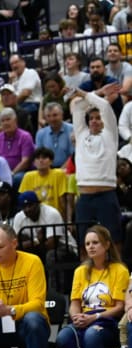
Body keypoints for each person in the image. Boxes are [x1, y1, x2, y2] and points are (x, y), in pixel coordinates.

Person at [56, 225, 126, 348]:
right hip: (83, 318)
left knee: (91, 335)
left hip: (108, 321)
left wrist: (94, 319)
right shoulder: (80, 271)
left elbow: (120, 307)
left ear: (107, 245)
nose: (91, 247)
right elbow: (74, 302)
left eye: (95, 242)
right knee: (64, 338)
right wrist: (76, 317)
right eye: (87, 243)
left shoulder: (119, 270)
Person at [70, 88, 122, 247]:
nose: (94, 121)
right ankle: (85, 272)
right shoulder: (81, 134)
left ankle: (118, 271)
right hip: (84, 197)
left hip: (106, 195)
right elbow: (78, 107)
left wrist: (84, 93)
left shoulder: (110, 134)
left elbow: (105, 107)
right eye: (91, 118)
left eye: (98, 118)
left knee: (114, 240)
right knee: (83, 242)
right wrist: (98, 92)